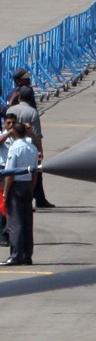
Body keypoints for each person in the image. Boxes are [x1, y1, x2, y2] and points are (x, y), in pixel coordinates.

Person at [6, 73, 49, 209]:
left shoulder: (11, 109)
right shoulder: (32, 112)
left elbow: (6, 125)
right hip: (29, 145)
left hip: (11, 143)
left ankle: (11, 199)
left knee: (12, 171)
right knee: (33, 173)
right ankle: (32, 200)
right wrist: (40, 150)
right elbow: (37, 134)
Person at [2, 113, 37, 266]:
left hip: (16, 186)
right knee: (27, 221)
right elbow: (35, 170)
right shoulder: (32, 147)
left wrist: (5, 192)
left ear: (14, 133)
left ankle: (15, 255)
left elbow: (10, 173)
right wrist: (32, 186)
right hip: (28, 185)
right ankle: (27, 255)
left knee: (15, 222)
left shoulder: (14, 148)